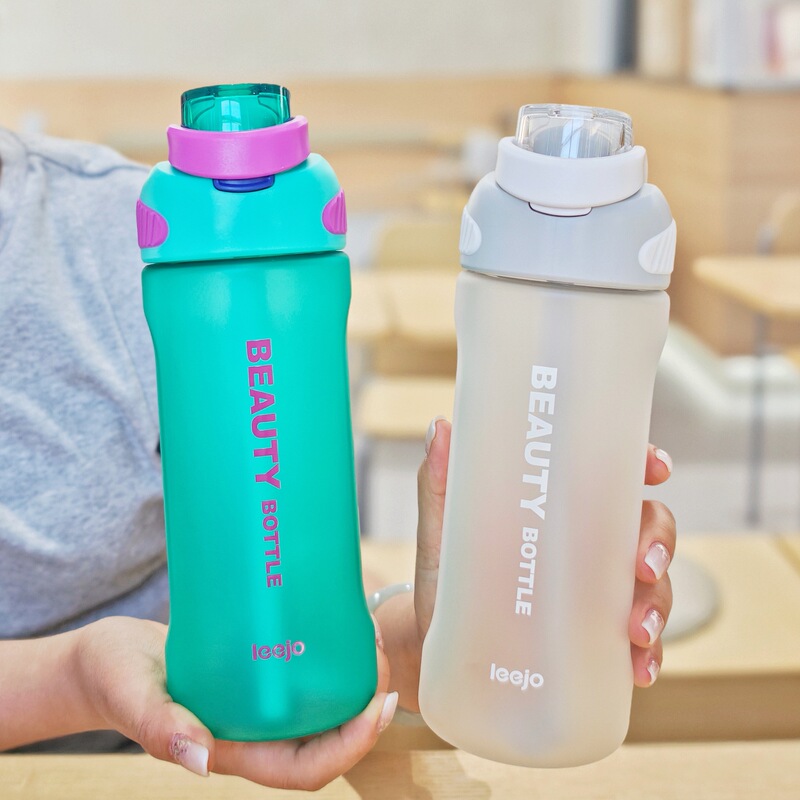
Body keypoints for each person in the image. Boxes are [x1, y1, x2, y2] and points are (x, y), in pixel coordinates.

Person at [0, 125, 677, 790]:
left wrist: (418, 634)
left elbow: (293, 544)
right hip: (170, 730)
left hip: (183, 759)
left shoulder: (100, 234)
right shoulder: (171, 243)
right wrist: (74, 679)